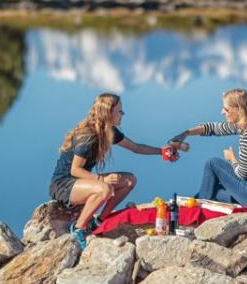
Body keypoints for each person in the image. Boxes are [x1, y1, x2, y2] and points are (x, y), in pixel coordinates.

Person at [51, 92, 182, 248]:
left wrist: (161, 151)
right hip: (64, 185)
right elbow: (75, 170)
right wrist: (101, 180)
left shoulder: (110, 131)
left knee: (129, 180)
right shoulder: (88, 136)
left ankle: (97, 221)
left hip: (83, 182)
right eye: (119, 111)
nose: (123, 114)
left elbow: (136, 147)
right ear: (108, 112)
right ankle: (78, 229)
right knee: (104, 189)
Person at [173, 88, 247, 209]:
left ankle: (197, 211)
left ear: (238, 109)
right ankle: (196, 204)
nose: (222, 112)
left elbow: (242, 174)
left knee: (212, 164)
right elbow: (214, 128)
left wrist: (232, 158)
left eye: (226, 109)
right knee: (215, 191)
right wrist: (186, 134)